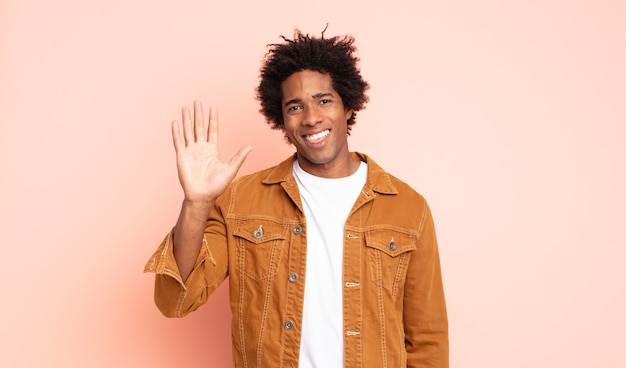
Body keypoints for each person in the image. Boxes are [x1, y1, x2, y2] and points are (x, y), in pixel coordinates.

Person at [145, 29, 448, 367]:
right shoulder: (240, 202)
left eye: (324, 100)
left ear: (348, 106)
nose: (311, 118)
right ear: (283, 122)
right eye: (295, 106)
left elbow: (427, 339)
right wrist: (197, 204)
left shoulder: (407, 208)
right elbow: (174, 301)